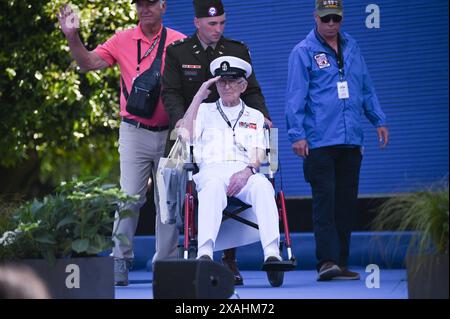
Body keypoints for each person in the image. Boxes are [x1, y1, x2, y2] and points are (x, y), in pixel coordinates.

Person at [57, 0, 185, 286]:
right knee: (129, 198)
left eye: (151, 3)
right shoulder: (122, 39)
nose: (144, 9)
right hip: (133, 131)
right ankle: (119, 260)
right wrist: (72, 36)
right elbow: (88, 63)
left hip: (170, 133)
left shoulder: (179, 42)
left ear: (163, 5)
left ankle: (165, 265)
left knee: (168, 200)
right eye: (140, 4)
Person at [161, 0, 271, 286]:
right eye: (212, 24)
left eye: (222, 23)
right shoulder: (178, 51)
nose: (218, 29)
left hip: (235, 133)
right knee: (180, 192)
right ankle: (190, 255)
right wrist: (180, 122)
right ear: (197, 22)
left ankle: (229, 260)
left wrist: (265, 119)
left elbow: (254, 90)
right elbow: (171, 93)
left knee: (243, 188)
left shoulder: (236, 50)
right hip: (196, 130)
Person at [285, 0, 389, 281]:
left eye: (336, 19)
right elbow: (296, 96)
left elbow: (365, 87)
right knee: (325, 202)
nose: (331, 24)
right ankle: (326, 261)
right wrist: (297, 135)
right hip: (319, 141)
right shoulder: (303, 52)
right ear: (315, 17)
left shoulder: (353, 47)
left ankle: (340, 262)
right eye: (326, 18)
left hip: (351, 139)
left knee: (345, 203)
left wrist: (377, 119)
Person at [180, 56, 284, 277]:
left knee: (263, 186)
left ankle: (272, 252)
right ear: (215, 84)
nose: (226, 86)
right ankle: (205, 253)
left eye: (232, 81)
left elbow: (259, 151)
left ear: (243, 85)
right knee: (212, 187)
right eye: (221, 82)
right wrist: (198, 97)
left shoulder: (255, 115)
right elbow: (184, 135)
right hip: (211, 170)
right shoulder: (204, 111)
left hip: (244, 170)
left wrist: (247, 171)